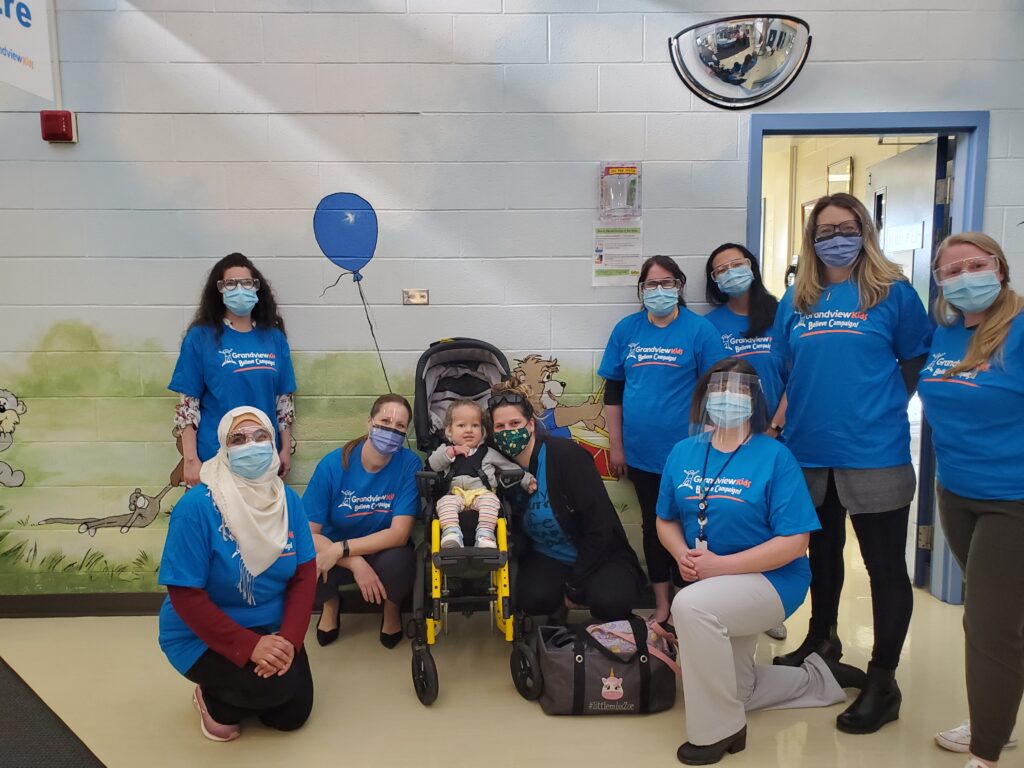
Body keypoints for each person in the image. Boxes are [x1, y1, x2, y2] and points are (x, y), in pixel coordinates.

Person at [771, 193, 933, 735]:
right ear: (811, 238)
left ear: (864, 229)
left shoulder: (894, 294)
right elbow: (785, 365)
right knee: (822, 556)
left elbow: (915, 358)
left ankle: (884, 680)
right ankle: (823, 642)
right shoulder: (798, 297)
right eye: (823, 229)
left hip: (874, 451)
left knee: (885, 567)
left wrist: (884, 400)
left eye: (845, 226)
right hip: (808, 452)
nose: (834, 236)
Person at [656, 359, 863, 765]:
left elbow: (794, 542)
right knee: (740, 689)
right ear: (705, 397)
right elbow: (665, 519)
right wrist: (683, 554)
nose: (727, 399)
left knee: (690, 607)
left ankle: (718, 730)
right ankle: (820, 678)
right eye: (719, 390)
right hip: (712, 582)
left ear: (755, 402)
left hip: (771, 581)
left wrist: (719, 566)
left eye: (739, 392)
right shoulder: (683, 452)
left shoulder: (775, 457)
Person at [918, 233, 1024, 768]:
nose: (963, 276)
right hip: (956, 491)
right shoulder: (946, 331)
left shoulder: (1022, 328)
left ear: (1000, 269)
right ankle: (995, 720)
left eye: (975, 265)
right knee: (998, 619)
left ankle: (985, 752)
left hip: (1015, 498)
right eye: (950, 269)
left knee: (987, 622)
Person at [157, 407, 316, 742]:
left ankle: (256, 685)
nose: (251, 445)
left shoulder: (288, 500)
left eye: (261, 437)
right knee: (277, 689)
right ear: (223, 449)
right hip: (199, 634)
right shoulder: (197, 507)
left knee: (293, 715)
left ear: (272, 444)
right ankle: (210, 700)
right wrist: (249, 646)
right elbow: (185, 596)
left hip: (271, 625)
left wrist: (289, 640)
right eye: (238, 439)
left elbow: (304, 575)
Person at [600, 255, 728, 624]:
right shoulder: (627, 330)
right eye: (651, 285)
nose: (659, 291)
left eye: (667, 283)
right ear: (641, 291)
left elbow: (716, 389)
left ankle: (690, 605)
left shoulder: (699, 330)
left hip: (691, 453)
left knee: (692, 528)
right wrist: (617, 445)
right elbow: (613, 392)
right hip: (641, 454)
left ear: (680, 286)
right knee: (654, 528)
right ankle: (662, 605)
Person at [488, 383, 644, 622]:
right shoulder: (498, 468)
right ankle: (556, 609)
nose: (507, 431)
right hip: (549, 555)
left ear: (530, 425)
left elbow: (599, 526)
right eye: (500, 426)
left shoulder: (567, 456)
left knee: (610, 601)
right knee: (533, 598)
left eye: (515, 424)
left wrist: (576, 582)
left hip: (600, 554)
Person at [705, 243, 788, 642]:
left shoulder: (782, 314)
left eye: (737, 264)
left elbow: (797, 375)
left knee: (774, 522)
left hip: (776, 435)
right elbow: (705, 383)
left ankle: (769, 603)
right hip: (726, 436)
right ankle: (739, 597)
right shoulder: (711, 324)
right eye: (721, 269)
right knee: (738, 519)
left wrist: (774, 427)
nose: (730, 273)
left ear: (752, 267)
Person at [303, 394, 420, 649]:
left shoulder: (409, 464)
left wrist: (342, 549)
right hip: (334, 550)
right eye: (385, 421)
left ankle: (392, 609)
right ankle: (331, 604)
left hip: (382, 550)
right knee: (302, 558)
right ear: (369, 422)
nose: (391, 430)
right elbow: (307, 534)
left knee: (401, 560)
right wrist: (352, 560)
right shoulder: (333, 465)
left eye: (400, 426)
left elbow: (399, 534)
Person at [169, 253, 296, 486]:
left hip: (263, 457)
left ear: (257, 288)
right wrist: (190, 460)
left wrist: (285, 448)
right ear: (219, 290)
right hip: (214, 458)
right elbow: (188, 406)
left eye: (246, 282)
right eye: (230, 283)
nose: (240, 289)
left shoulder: (274, 339)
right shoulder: (200, 338)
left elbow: (284, 403)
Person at [426, 399, 536, 549]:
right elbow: (433, 463)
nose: (469, 430)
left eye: (475, 425)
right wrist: (453, 451)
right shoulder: (445, 450)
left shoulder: (488, 453)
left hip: (482, 494)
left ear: (482, 431)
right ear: (450, 431)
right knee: (444, 503)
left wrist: (527, 479)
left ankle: (485, 535)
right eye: (461, 425)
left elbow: (509, 467)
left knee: (491, 501)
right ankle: (452, 534)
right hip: (455, 494)